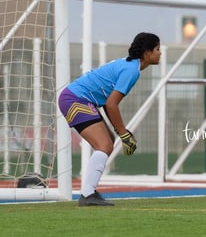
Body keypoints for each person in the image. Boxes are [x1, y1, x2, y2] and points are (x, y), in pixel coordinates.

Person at [58, 32, 161, 206]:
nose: (160, 53)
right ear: (147, 53)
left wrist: (120, 133)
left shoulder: (129, 65)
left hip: (77, 98)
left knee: (108, 142)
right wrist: (125, 134)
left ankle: (89, 192)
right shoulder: (132, 71)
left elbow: (107, 101)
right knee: (104, 145)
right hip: (75, 99)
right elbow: (112, 104)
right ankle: (87, 195)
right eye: (157, 49)